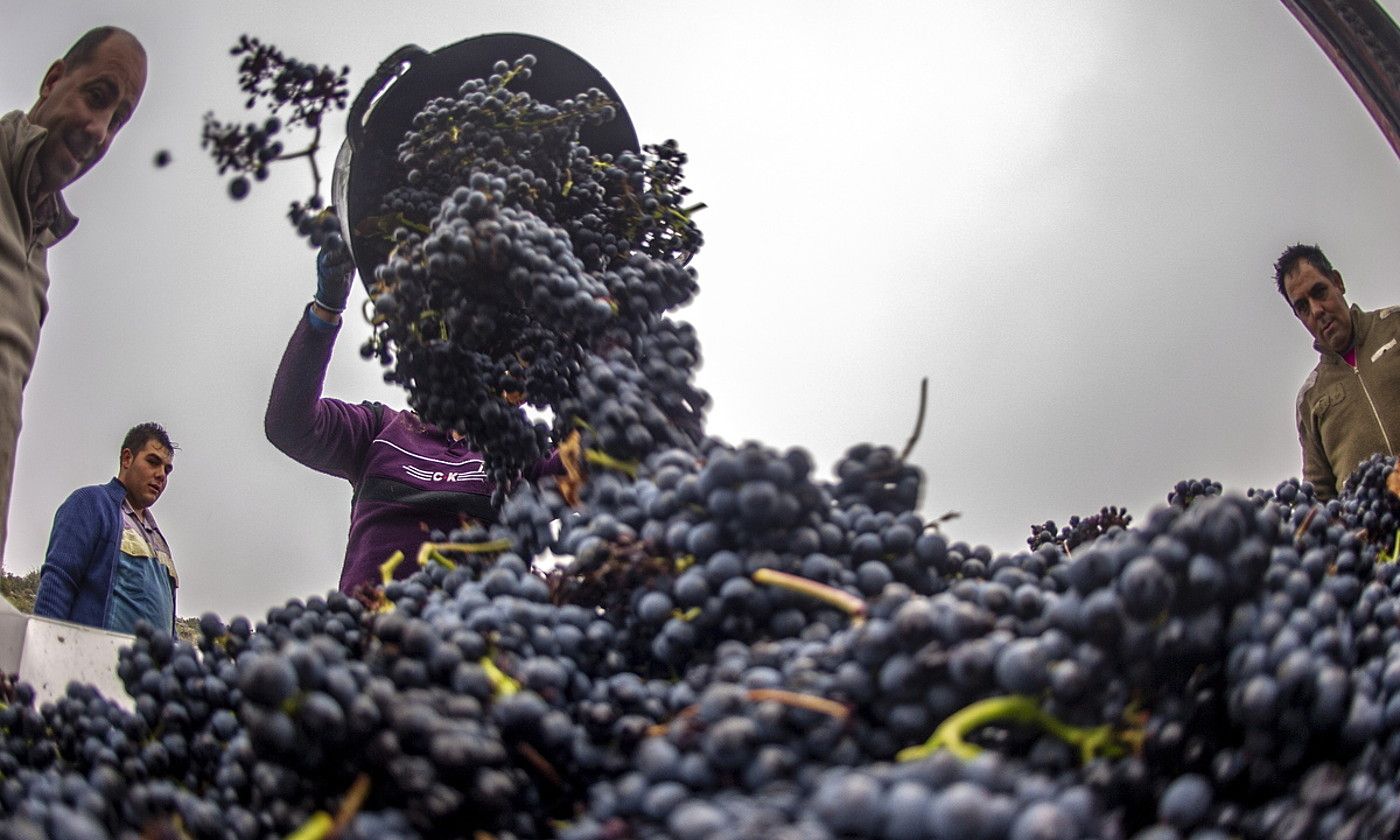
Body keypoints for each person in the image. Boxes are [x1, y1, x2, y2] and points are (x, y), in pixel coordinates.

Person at [265, 242, 561, 594]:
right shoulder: (380, 429)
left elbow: (599, 463)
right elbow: (288, 424)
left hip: (479, 639)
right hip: (371, 635)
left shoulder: (521, 454)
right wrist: (325, 312)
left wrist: (585, 341)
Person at [0, 27, 148, 567]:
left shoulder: (37, 263)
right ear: (54, 80)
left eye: (118, 121)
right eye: (97, 96)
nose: (99, 130)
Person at [1277, 243, 1400, 499]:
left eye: (1319, 291)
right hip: (1379, 535)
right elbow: (1320, 498)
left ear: (1338, 282)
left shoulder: (1395, 327)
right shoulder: (1309, 399)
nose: (1316, 310)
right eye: (1302, 306)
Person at [32, 423, 177, 634]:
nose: (161, 475)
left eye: (167, 469)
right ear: (127, 458)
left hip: (146, 666)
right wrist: (45, 649)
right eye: (153, 462)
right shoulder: (90, 504)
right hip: (92, 660)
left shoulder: (158, 539)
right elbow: (59, 582)